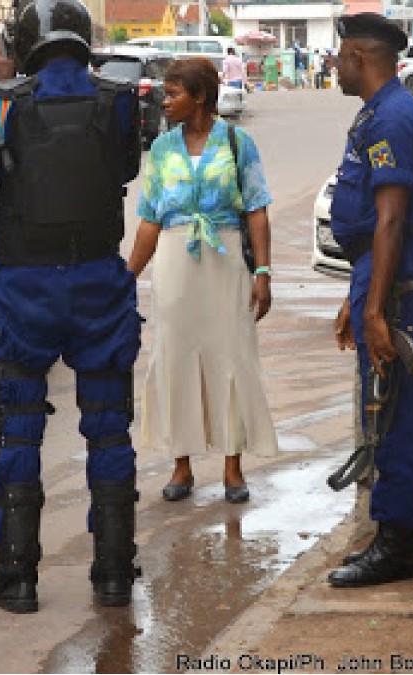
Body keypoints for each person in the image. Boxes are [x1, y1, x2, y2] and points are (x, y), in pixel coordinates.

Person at [0, 0, 144, 613]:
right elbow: (124, 168)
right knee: (110, 427)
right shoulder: (119, 98)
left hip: (26, 288)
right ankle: (114, 574)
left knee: (18, 430)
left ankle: (17, 578)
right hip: (98, 285)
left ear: (23, 42)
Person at [324, 13, 413, 588]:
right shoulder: (379, 111)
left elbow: (392, 219)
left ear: (358, 55)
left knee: (395, 408)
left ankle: (400, 543)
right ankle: (401, 537)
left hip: (402, 279)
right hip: (384, 271)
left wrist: (374, 308)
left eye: (339, 56)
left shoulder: (393, 117)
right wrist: (358, 293)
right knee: (387, 404)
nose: (334, 66)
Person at [127, 57, 278, 505]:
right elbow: (150, 220)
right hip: (175, 263)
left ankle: (233, 468)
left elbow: (257, 209)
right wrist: (126, 277)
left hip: (226, 260)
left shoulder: (237, 142)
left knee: (232, 356)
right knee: (174, 357)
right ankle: (181, 465)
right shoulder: (161, 149)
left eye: (173, 94)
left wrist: (264, 272)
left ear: (199, 97)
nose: (164, 101)